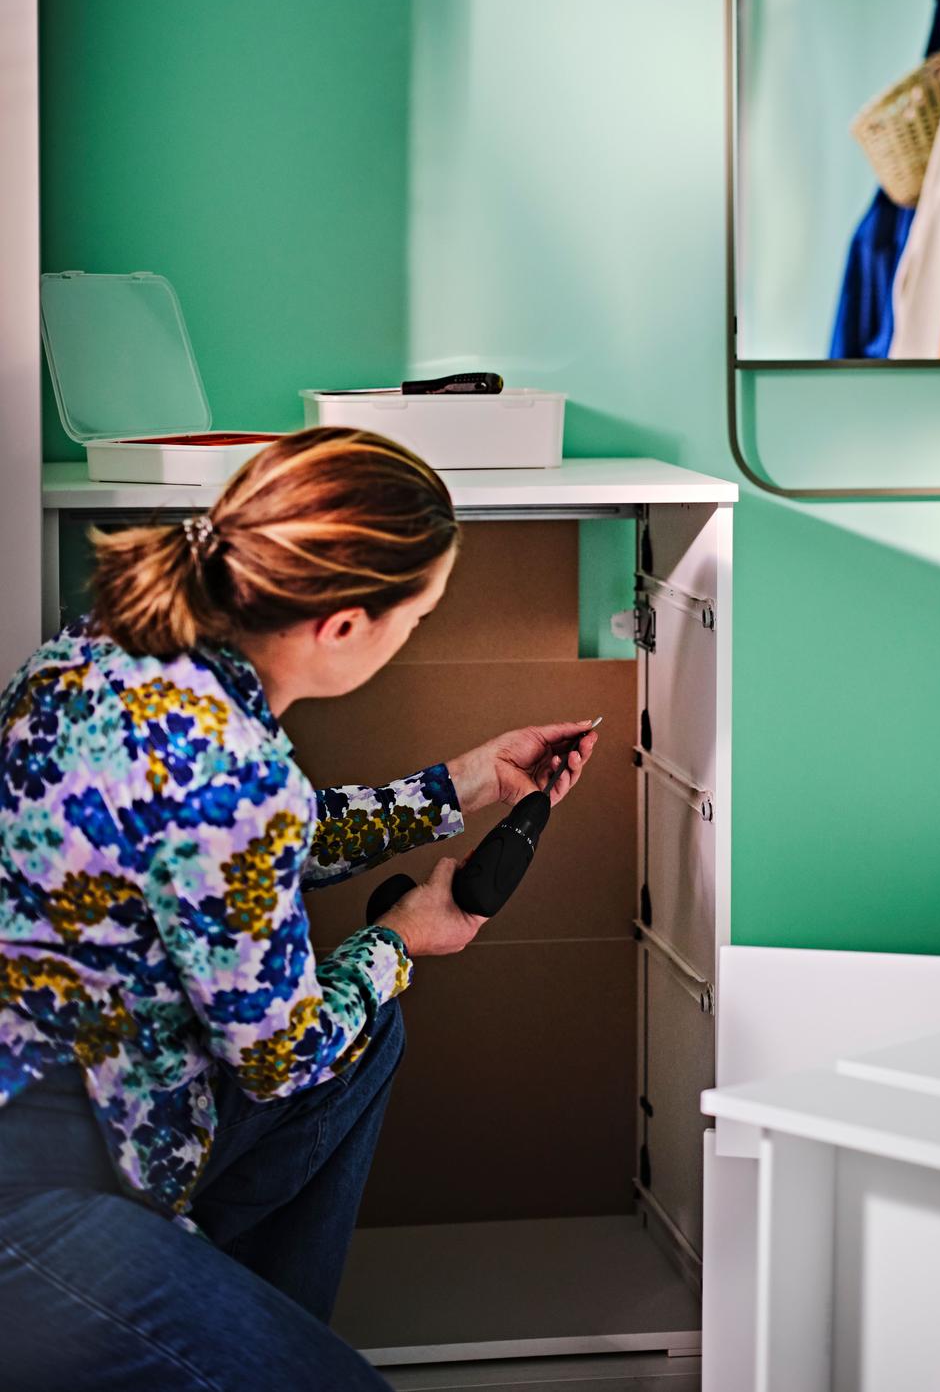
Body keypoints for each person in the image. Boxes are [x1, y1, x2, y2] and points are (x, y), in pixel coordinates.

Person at [0, 426, 598, 1390]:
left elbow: (220, 850)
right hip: (44, 1181)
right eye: (419, 617)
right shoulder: (240, 774)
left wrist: (456, 786)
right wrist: (400, 940)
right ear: (345, 625)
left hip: (71, 1081)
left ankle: (230, 1320)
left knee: (366, 1043)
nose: (415, 635)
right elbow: (280, 1057)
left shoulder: (102, 645)